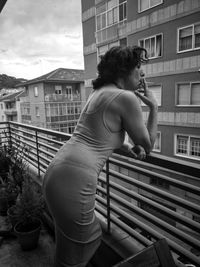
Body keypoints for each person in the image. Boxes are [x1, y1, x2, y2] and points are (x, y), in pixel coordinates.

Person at [42, 45, 158, 267]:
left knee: (69, 250)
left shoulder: (98, 93)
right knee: (81, 248)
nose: (142, 73)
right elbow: (148, 144)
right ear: (123, 70)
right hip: (74, 179)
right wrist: (153, 107)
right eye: (138, 67)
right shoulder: (126, 97)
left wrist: (124, 148)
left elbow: (97, 136)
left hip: (58, 170)